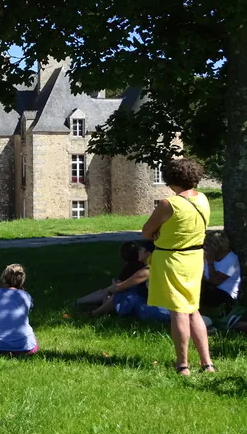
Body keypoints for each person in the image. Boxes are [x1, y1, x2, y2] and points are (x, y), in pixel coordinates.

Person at [142, 158, 214, 375]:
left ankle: (182, 364)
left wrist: (158, 234)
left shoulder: (169, 204)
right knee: (193, 310)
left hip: (172, 260)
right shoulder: (202, 199)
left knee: (178, 312)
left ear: (171, 178)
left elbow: (146, 232)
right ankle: (207, 363)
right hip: (194, 258)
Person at [80, 241, 170, 321]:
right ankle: (98, 310)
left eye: (141, 250)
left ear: (148, 253)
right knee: (132, 291)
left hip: (162, 311)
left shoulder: (147, 271)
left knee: (124, 295)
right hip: (169, 308)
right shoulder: (159, 266)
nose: (138, 252)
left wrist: (110, 289)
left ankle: (94, 313)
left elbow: (119, 287)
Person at [202, 230, 241, 310]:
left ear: (216, 246)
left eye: (207, 245)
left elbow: (214, 281)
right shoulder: (211, 255)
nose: (204, 247)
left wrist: (210, 263)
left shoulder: (231, 259)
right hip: (210, 289)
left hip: (225, 294)